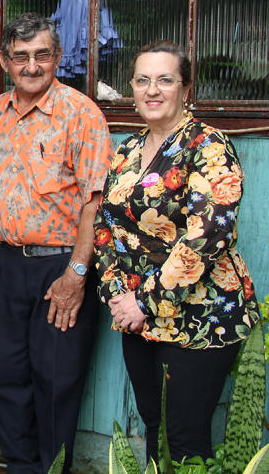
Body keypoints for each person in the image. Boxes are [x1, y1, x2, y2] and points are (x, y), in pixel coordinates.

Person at [94, 40, 259, 463]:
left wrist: (144, 302)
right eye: (143, 80)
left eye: (165, 80)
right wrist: (117, 296)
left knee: (184, 443)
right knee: (155, 430)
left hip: (199, 316)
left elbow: (207, 237)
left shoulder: (208, 147)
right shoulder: (128, 150)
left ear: (185, 89)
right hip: (136, 316)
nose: (153, 90)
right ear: (131, 88)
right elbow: (105, 225)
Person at [0, 13, 113, 474]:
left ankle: (53, 470)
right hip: (5, 264)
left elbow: (95, 201)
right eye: (21, 57)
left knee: (55, 380)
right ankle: (21, 467)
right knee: (3, 373)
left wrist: (76, 274)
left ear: (55, 57)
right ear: (5, 61)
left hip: (61, 268)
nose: (32, 66)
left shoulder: (81, 113)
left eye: (42, 55)